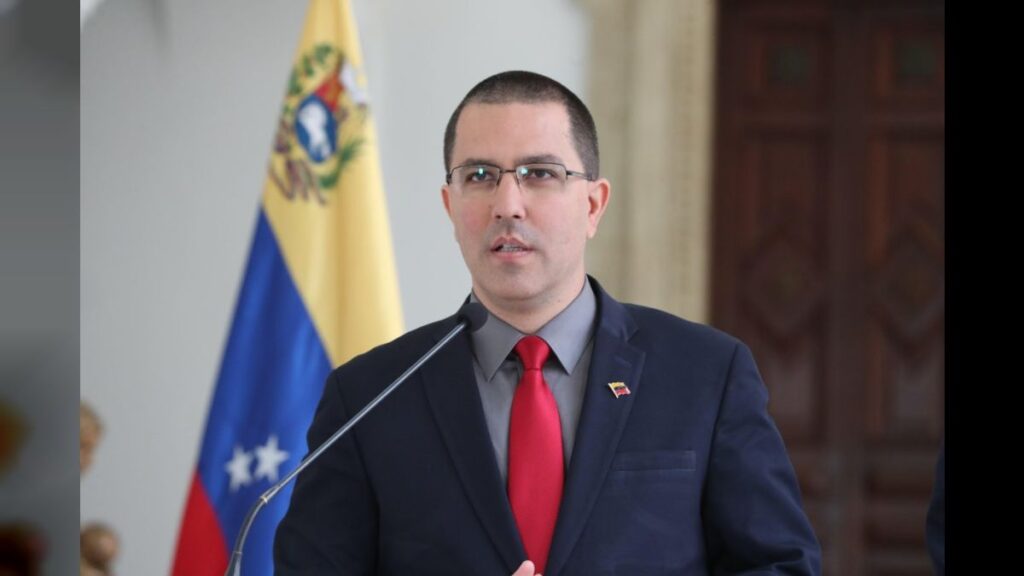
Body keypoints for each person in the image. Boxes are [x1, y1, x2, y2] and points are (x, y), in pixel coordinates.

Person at [275, 70, 821, 575]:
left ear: (593, 205)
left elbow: (780, 566)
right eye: (480, 175)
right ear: (449, 205)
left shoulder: (705, 374)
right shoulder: (370, 396)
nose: (507, 203)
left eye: (539, 174)